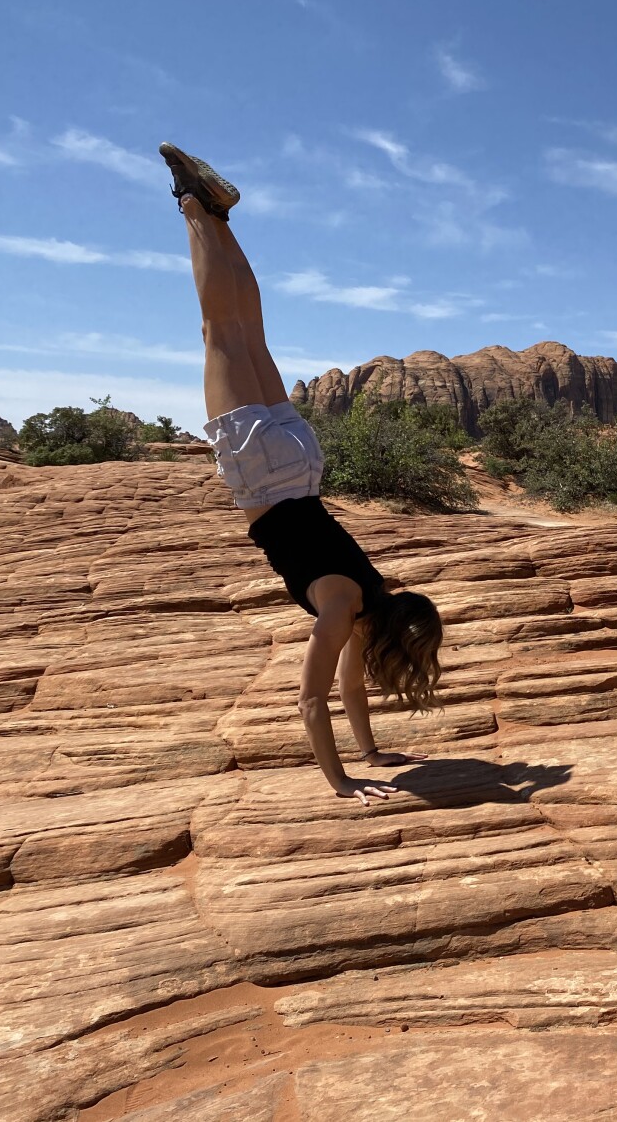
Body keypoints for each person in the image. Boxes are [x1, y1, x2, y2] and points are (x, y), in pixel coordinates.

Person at [161, 142, 443, 801]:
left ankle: (220, 217)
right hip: (262, 469)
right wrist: (343, 781)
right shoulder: (345, 609)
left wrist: (370, 750)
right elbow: (313, 701)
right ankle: (191, 207)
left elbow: (347, 687)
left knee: (251, 333)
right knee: (218, 331)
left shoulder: (369, 592)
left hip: (299, 460)